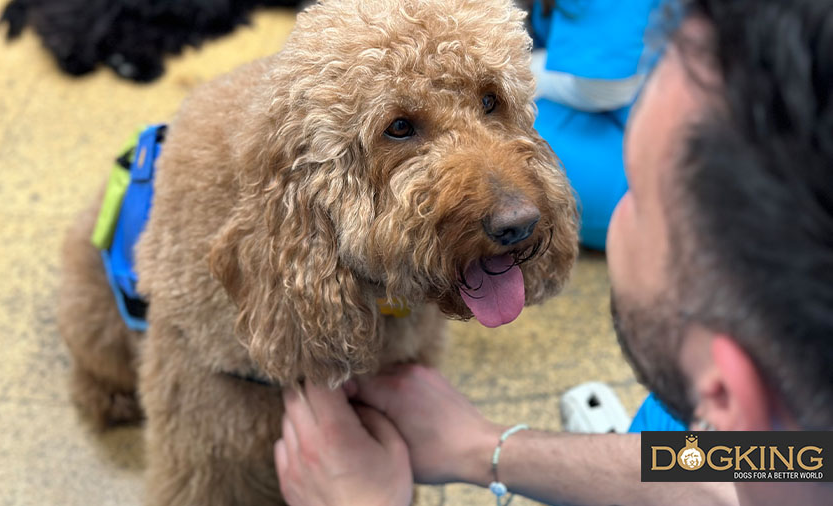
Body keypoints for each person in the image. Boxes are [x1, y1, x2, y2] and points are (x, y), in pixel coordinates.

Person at [273, 0, 833, 505]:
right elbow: (718, 469)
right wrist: (486, 450)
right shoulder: (798, 451)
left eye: (636, 192)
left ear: (727, 396)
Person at [527, 0, 660, 250]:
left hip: (657, 174)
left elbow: (605, 89)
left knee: (499, 133)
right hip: (630, 122)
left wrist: (522, 68)